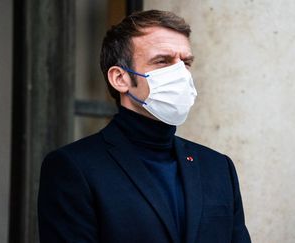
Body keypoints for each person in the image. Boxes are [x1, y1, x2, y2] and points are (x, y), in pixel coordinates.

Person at [38, 10, 251, 243]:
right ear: (121, 78)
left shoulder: (217, 167)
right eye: (163, 61)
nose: (180, 74)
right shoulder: (74, 168)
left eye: (186, 62)